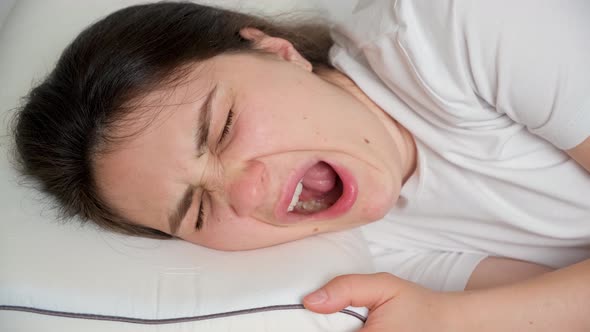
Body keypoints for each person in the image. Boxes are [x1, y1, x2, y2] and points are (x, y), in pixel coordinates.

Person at [11, 1, 590, 331]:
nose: (247, 190)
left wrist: (453, 321)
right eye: (200, 209)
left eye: (223, 127)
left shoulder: (449, 27)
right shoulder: (367, 249)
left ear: (274, 49)